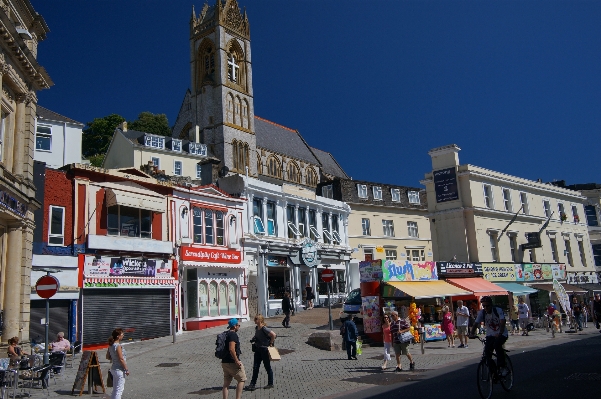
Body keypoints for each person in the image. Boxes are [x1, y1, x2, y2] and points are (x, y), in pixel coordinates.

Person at [469, 296, 508, 378]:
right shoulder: (482, 313)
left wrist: (500, 333)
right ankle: (493, 371)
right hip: (490, 335)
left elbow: (502, 321)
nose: (485, 308)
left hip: (501, 334)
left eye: (487, 306)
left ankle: (502, 367)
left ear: (491, 305)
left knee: (497, 345)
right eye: (484, 306)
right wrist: (471, 333)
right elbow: (476, 323)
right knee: (487, 353)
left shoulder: (497, 310)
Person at [246, 315, 276, 391]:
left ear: (260, 320)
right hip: (258, 349)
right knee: (255, 367)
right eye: (254, 319)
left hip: (264, 350)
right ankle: (252, 384)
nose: (254, 320)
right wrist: (253, 339)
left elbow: (274, 335)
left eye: (256, 319)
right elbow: (257, 336)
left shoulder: (264, 328)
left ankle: (270, 383)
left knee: (267, 366)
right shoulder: (257, 328)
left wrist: (270, 343)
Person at [222, 318, 246, 399]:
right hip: (232, 362)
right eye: (238, 325)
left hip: (224, 362)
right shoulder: (233, 335)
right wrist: (236, 360)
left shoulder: (226, 334)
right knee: (242, 379)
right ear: (235, 326)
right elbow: (231, 349)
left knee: (226, 383)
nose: (239, 326)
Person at [107, 329, 129, 399]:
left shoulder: (111, 345)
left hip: (113, 369)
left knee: (115, 390)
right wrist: (126, 369)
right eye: (122, 334)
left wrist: (114, 358)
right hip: (120, 370)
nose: (123, 336)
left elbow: (107, 356)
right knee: (119, 390)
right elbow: (121, 359)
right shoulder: (118, 346)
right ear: (118, 336)